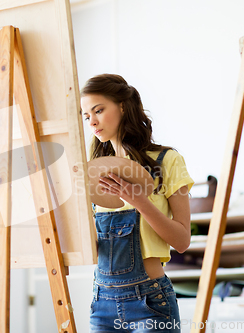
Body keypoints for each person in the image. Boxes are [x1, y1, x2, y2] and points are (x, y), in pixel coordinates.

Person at [81, 74, 194, 333]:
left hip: (149, 301)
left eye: (98, 110)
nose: (93, 122)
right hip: (102, 303)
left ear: (122, 106)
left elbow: (182, 240)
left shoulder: (167, 160)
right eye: (86, 116)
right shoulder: (94, 171)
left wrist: (140, 202)